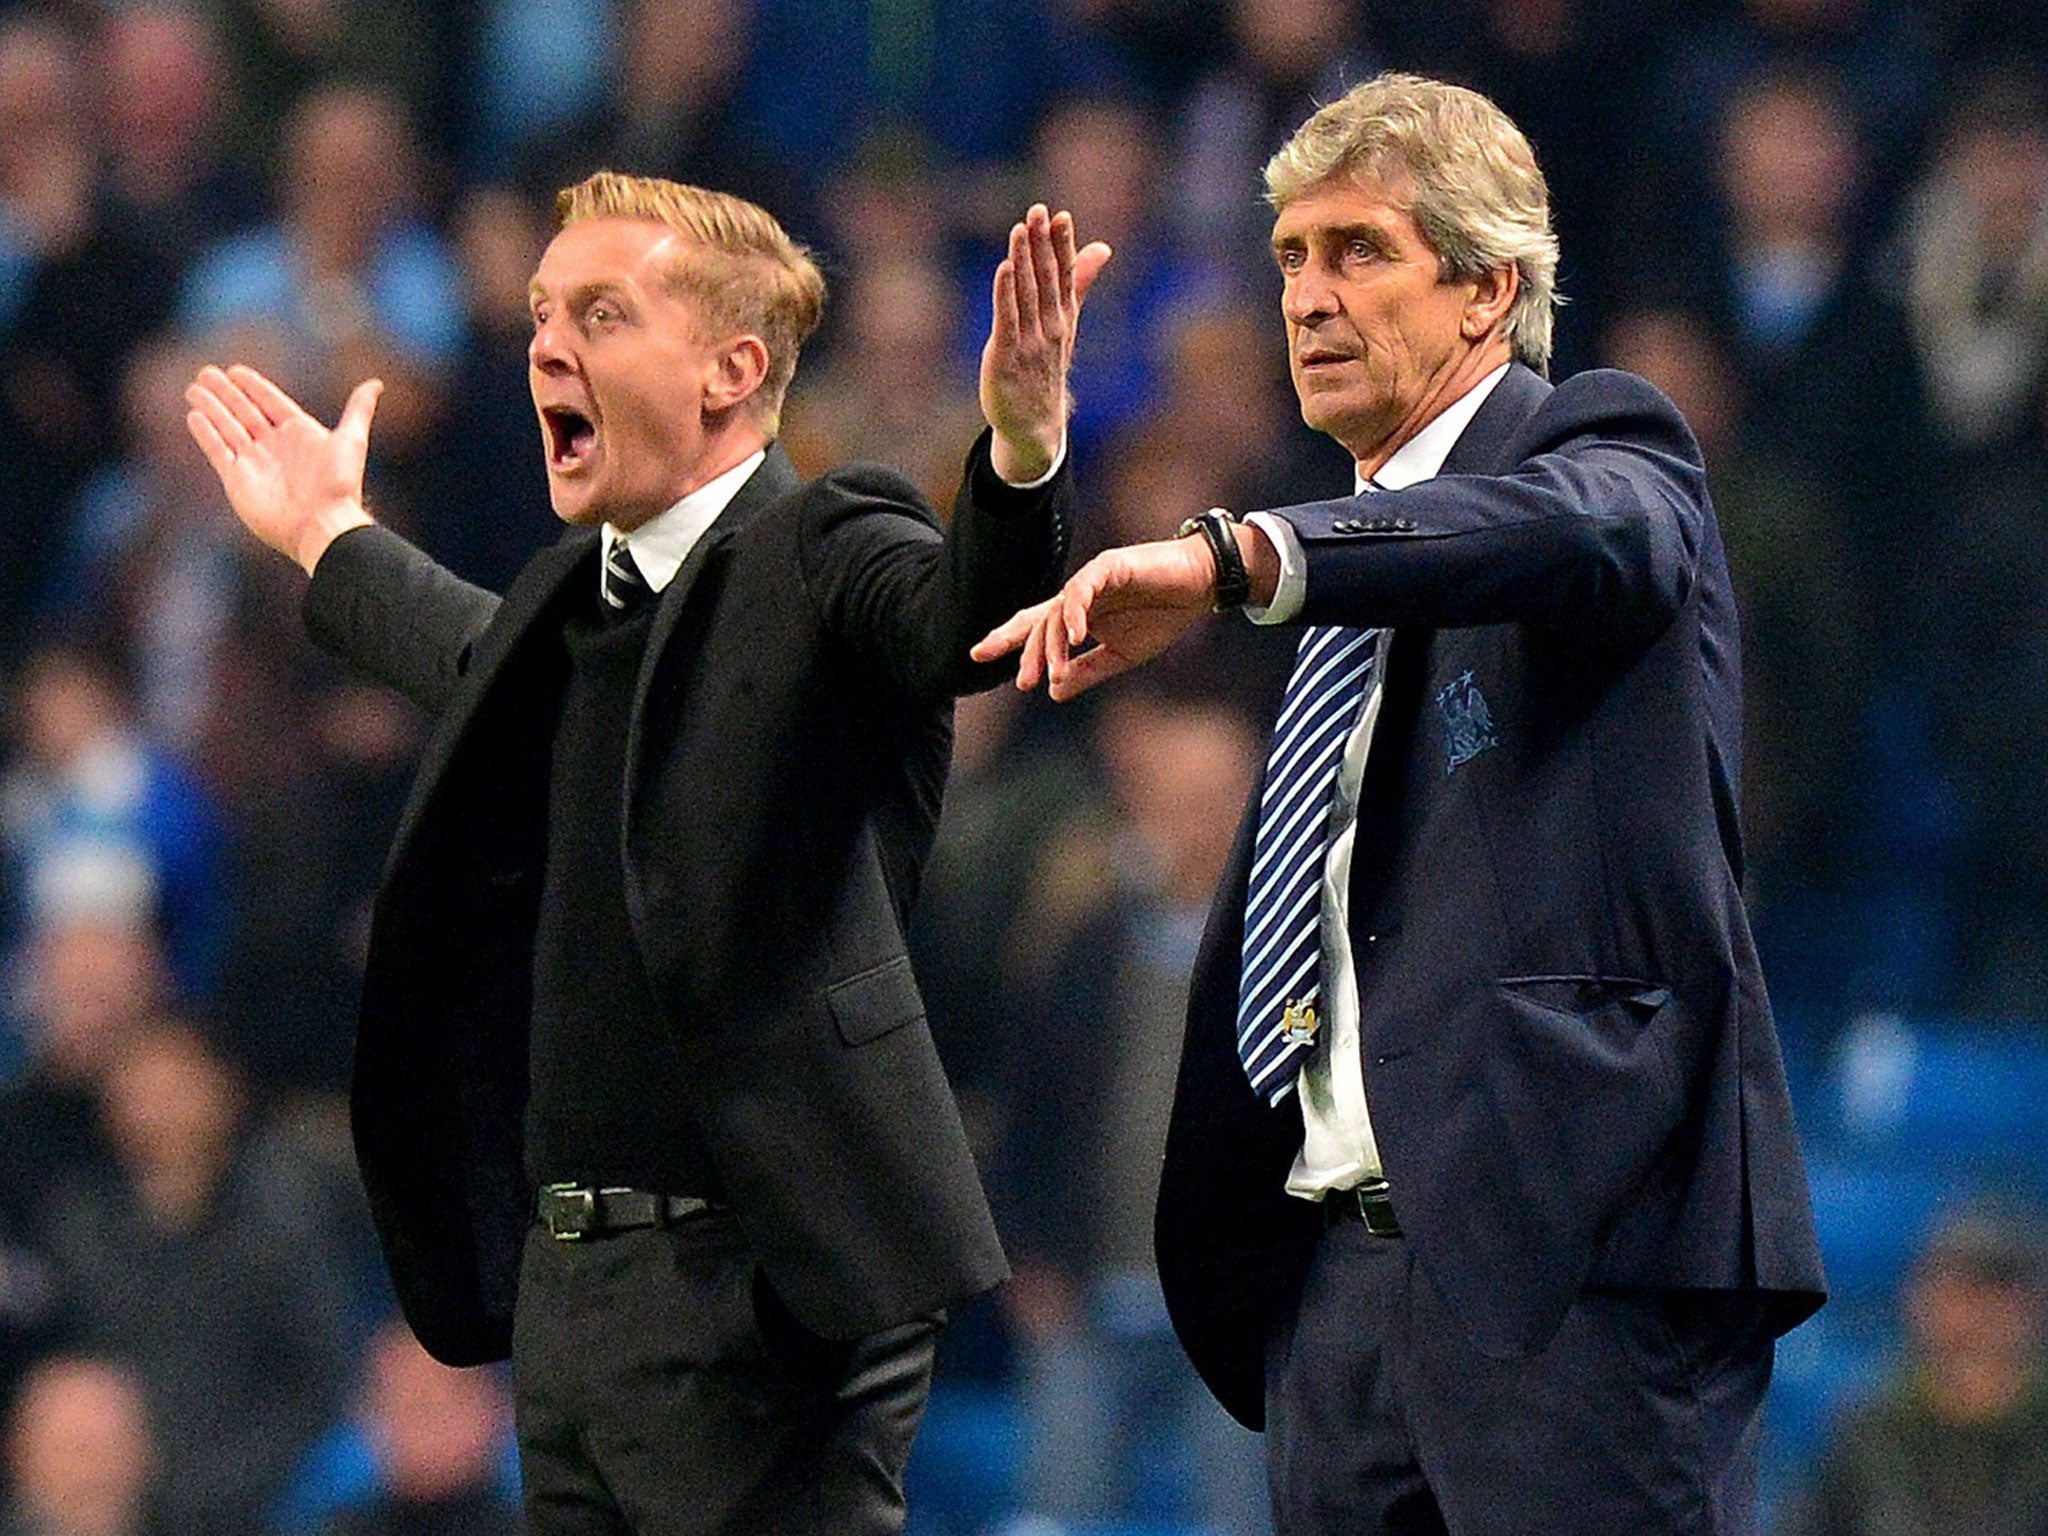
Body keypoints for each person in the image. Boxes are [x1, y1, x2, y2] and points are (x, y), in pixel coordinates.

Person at [183, 173, 1105, 1535]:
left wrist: (1019, 455)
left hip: (762, 1284)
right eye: (545, 313)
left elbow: (957, 617)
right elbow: (470, 655)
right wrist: (328, 532)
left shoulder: (827, 540)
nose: (547, 344)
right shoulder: (576, 595)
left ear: (735, 369)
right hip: (574, 1288)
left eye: (601, 315)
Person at [976, 72, 1826, 1536]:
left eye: (1359, 250)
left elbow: (1561, 539)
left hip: (1571, 1276)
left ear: (1489, 288)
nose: (1307, 294)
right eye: (1292, 257)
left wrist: (1242, 555)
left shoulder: (1607, 453)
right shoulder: (1341, 575)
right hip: (1339, 1300)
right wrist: (1028, 467)